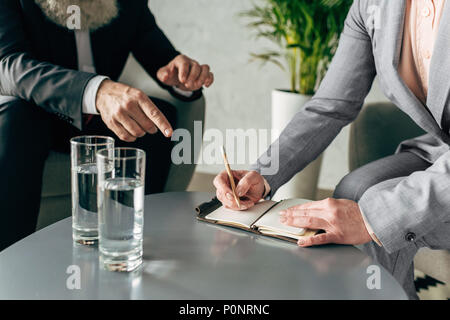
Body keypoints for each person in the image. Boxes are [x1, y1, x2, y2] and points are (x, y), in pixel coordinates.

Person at [213, 0, 449, 299]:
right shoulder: (370, 7)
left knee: (376, 210)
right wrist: (262, 174)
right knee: (354, 190)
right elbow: (330, 105)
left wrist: (372, 218)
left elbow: (375, 213)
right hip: (440, 150)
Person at [0, 0, 214, 251]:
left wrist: (183, 76)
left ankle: (133, 247)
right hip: (38, 116)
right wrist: (97, 91)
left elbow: (161, 57)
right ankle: (9, 259)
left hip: (101, 122)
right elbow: (9, 65)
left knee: (156, 120)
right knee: (16, 119)